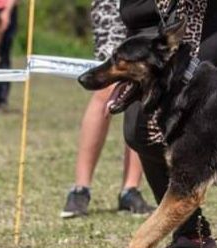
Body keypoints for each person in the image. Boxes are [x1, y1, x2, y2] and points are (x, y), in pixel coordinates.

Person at [119, 0, 217, 248]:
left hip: (198, 20)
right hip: (146, 22)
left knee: (152, 125)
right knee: (138, 132)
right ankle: (191, 235)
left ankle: (192, 235)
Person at [60, 0, 154, 219]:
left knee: (144, 86)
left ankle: (130, 189)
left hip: (154, 5)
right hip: (114, 5)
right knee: (106, 88)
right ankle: (80, 189)